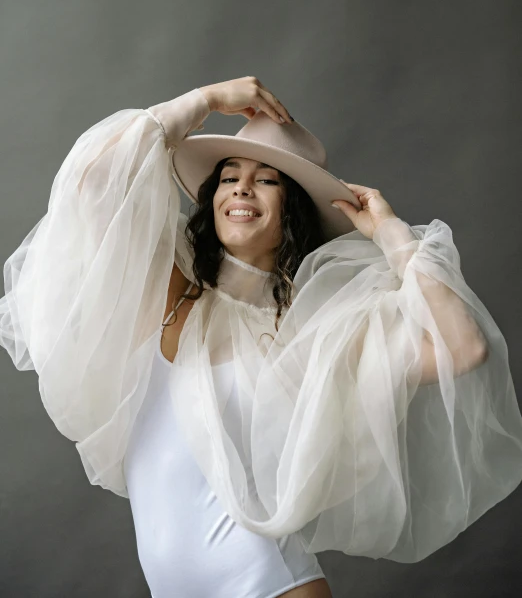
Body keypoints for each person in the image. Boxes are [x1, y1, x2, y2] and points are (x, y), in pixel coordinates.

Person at [2, 76, 522, 598]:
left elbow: (464, 348)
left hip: (271, 585)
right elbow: (90, 185)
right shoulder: (171, 290)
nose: (241, 189)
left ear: (292, 208)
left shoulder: (315, 333)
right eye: (229, 176)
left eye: (266, 180)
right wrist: (202, 101)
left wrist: (393, 236)